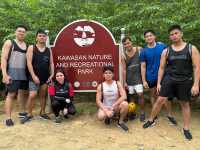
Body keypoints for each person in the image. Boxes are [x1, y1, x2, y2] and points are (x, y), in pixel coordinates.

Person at [143, 25, 200, 140]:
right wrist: (159, 83)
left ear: (181, 34)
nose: (174, 36)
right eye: (171, 34)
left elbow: (197, 67)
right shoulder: (166, 51)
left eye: (176, 33)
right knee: (160, 100)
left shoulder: (191, 48)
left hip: (185, 80)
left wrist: (196, 84)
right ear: (169, 37)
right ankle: (151, 120)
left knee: (184, 104)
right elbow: (162, 68)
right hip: (170, 79)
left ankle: (186, 128)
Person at [140, 29, 177, 125]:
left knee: (165, 97)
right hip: (150, 77)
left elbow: (170, 59)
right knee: (153, 95)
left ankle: (169, 115)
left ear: (154, 36)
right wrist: (144, 80)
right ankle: (154, 114)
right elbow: (143, 66)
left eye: (150, 35)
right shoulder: (144, 51)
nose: (149, 37)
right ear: (145, 39)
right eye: (147, 36)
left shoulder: (163, 47)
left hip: (164, 76)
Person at [21, 29, 54, 124]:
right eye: (40, 36)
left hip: (45, 77)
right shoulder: (32, 48)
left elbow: (51, 63)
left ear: (46, 37)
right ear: (36, 37)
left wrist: (52, 74)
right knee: (32, 95)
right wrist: (33, 76)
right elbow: (28, 63)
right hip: (33, 76)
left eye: (43, 36)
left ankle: (42, 112)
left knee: (42, 95)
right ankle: (29, 114)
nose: (42, 37)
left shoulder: (48, 50)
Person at [1, 25, 28, 126]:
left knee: (22, 94)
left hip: (23, 74)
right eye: (19, 31)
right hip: (12, 73)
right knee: (11, 95)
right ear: (15, 32)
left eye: (23, 32)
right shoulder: (9, 42)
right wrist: (4, 74)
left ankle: (22, 113)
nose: (21, 33)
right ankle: (8, 118)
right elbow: (3, 58)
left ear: (25, 34)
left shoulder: (26, 45)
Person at [96, 66, 129, 131]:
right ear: (103, 75)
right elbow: (98, 101)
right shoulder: (101, 86)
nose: (108, 75)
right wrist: (105, 110)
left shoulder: (117, 83)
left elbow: (124, 96)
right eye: (106, 73)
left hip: (115, 106)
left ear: (113, 74)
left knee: (125, 104)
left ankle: (120, 122)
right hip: (106, 106)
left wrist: (114, 105)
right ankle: (108, 117)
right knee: (100, 117)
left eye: (110, 73)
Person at [122, 36, 145, 122]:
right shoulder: (123, 55)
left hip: (138, 77)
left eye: (128, 43)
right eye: (125, 44)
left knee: (140, 94)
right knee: (131, 97)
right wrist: (124, 82)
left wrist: (144, 79)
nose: (127, 45)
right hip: (129, 78)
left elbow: (144, 63)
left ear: (131, 42)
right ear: (123, 45)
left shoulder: (139, 49)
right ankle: (132, 112)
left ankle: (142, 113)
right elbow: (124, 69)